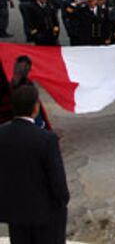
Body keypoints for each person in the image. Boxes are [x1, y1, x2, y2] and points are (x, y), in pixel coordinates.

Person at [0, 85, 69, 244]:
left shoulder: (1, 135)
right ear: (35, 108)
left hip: (16, 214)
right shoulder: (46, 139)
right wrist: (62, 202)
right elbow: (57, 181)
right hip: (46, 215)